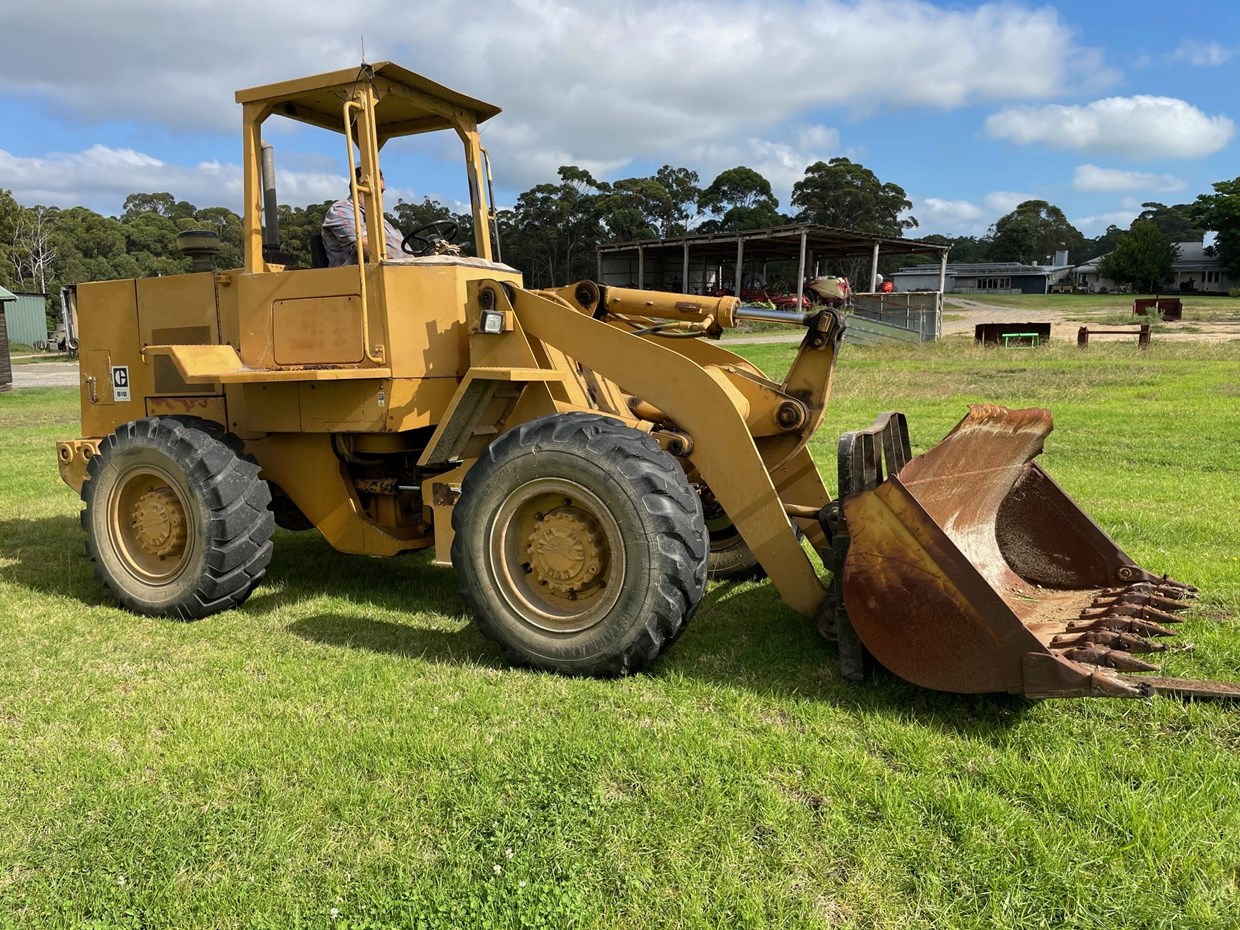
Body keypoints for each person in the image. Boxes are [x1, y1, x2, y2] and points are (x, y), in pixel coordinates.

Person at [321, 167, 403, 266]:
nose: (379, 197)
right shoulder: (341, 210)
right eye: (376, 190)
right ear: (359, 188)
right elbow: (365, 245)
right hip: (356, 277)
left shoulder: (379, 218)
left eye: (381, 192)